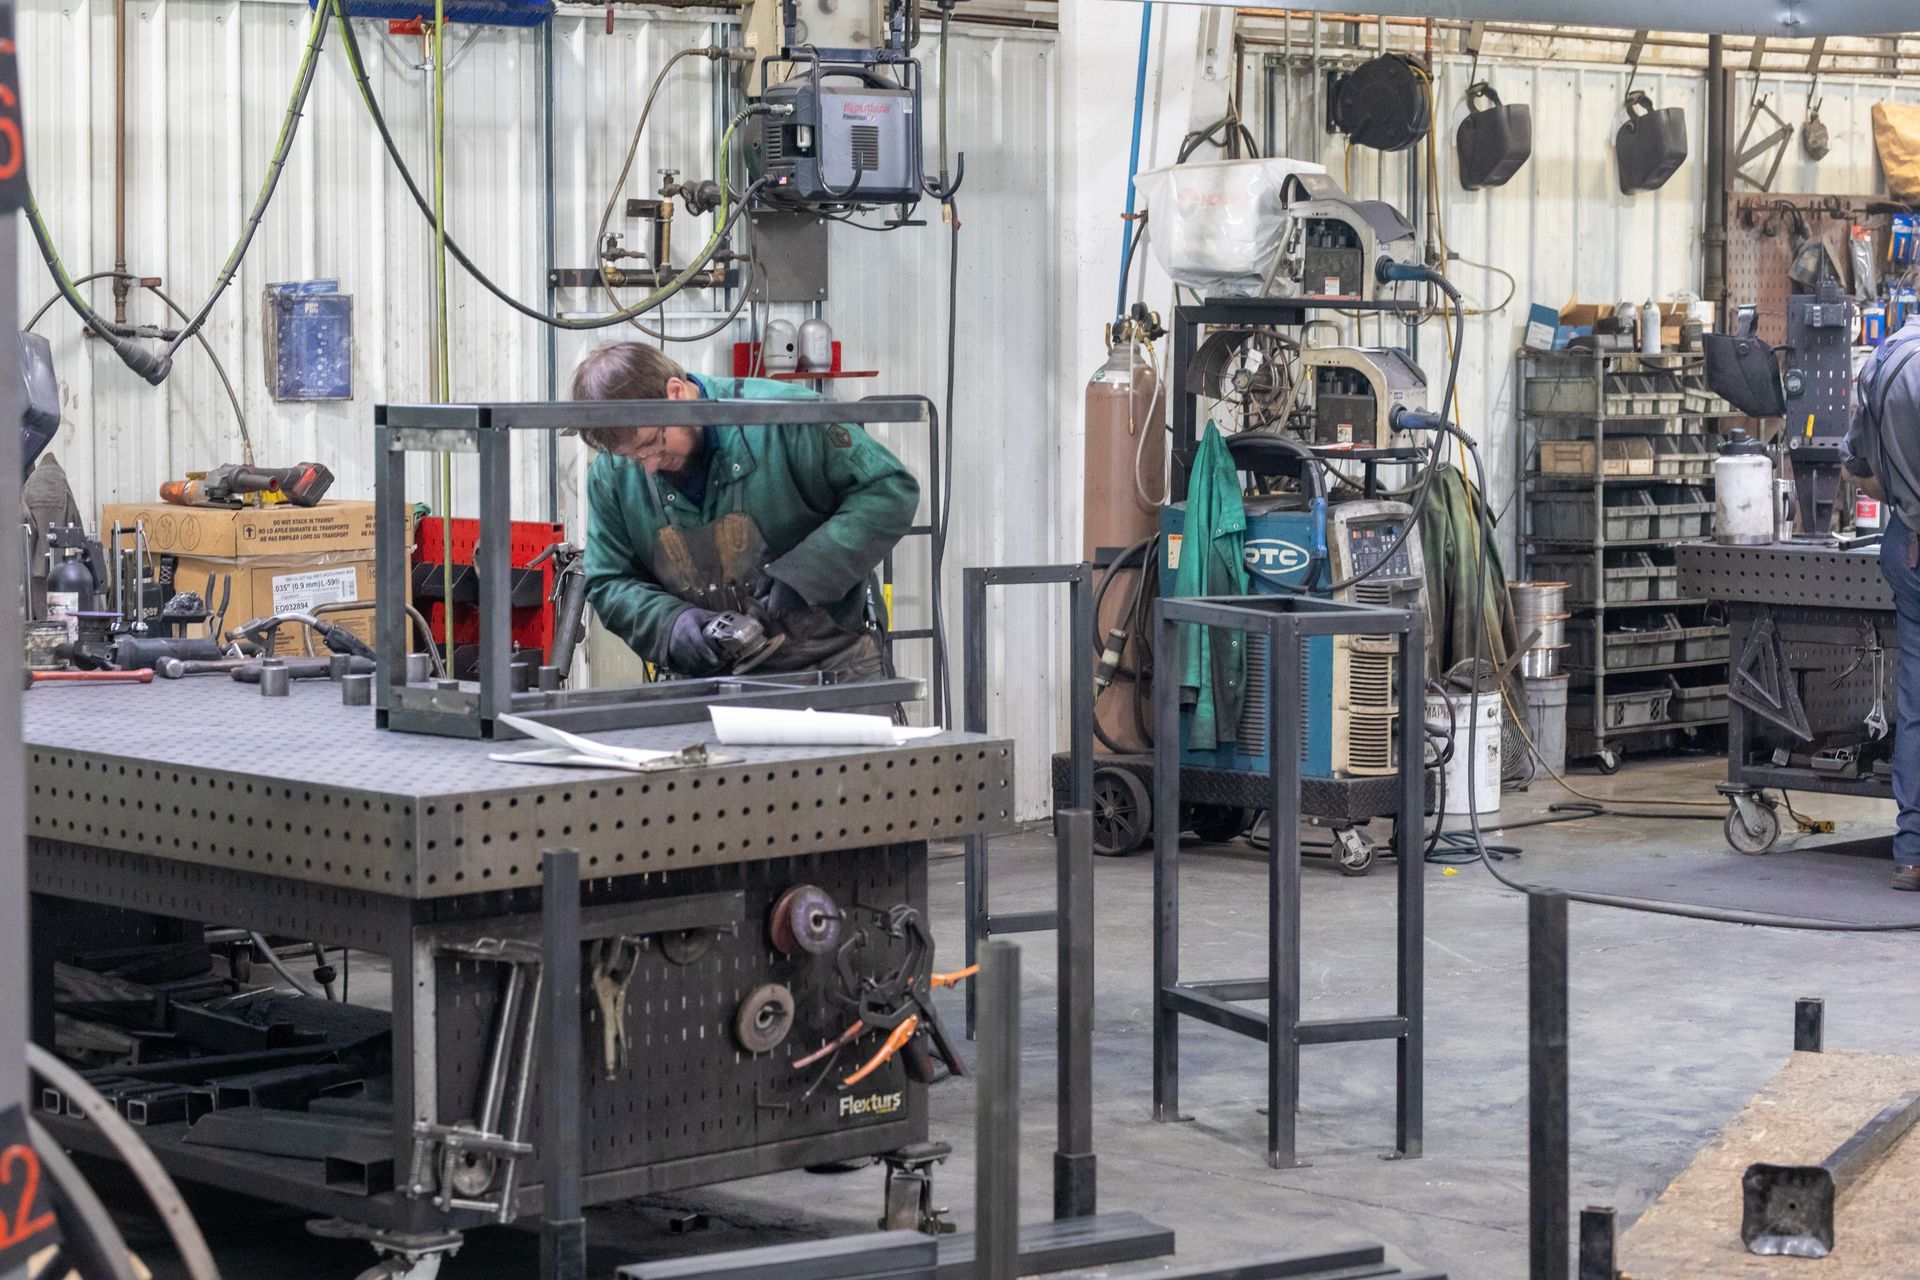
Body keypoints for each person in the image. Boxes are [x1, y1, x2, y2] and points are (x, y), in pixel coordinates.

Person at [574, 341, 919, 683]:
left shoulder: (785, 419)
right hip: (709, 682)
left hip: (833, 668)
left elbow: (888, 490)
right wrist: (671, 624)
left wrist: (807, 573)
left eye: (652, 444)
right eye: (633, 457)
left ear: (676, 393)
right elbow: (610, 580)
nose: (649, 466)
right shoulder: (612, 474)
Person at [1844, 310, 1920, 890]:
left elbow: (1861, 474)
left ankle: (1912, 854)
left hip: (1909, 546)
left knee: (1916, 706)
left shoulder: (1886, 359)